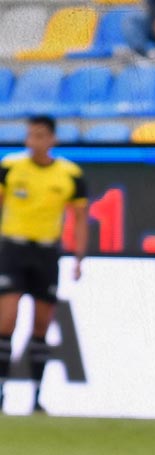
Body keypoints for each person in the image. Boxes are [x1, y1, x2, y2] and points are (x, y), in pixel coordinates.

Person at [0, 115, 88, 414]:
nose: (33, 142)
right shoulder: (11, 168)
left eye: (39, 136)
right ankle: (1, 392)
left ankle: (36, 397)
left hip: (48, 253)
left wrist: (79, 256)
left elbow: (79, 220)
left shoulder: (69, 174)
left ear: (52, 139)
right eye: (29, 136)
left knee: (41, 324)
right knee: (6, 320)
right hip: (13, 248)